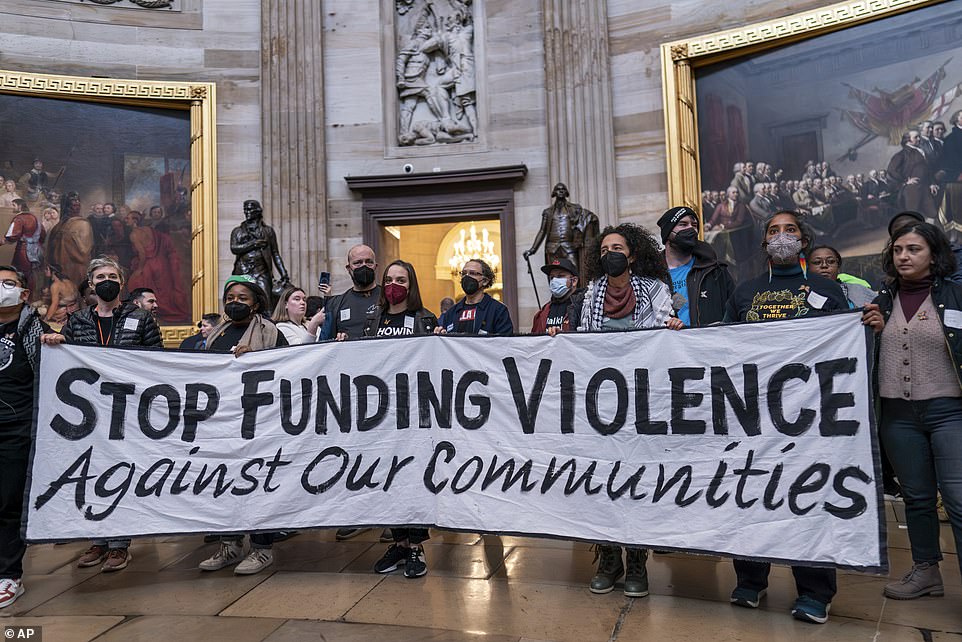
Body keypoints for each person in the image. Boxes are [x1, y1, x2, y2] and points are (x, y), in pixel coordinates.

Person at [724, 211, 848, 624]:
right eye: (773, 231)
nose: (781, 236)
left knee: (807, 498)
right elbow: (722, 346)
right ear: (764, 244)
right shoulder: (746, 292)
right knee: (750, 494)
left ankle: (815, 591)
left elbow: (843, 348)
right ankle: (750, 580)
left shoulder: (828, 290)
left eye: (789, 230)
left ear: (803, 241)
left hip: (809, 418)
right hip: (753, 416)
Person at [40, 257, 163, 572]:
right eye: (100, 277)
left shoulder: (141, 317)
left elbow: (158, 362)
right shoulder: (79, 319)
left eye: (112, 275)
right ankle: (96, 538)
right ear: (91, 285)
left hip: (128, 411)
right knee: (89, 473)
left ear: (120, 282)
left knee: (119, 474)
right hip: (89, 414)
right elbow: (67, 353)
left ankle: (119, 544)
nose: (106, 280)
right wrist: (58, 341)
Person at [579, 223, 681, 598]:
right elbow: (581, 342)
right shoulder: (591, 295)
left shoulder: (654, 291)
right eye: (604, 250)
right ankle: (608, 559)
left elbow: (663, 339)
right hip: (601, 407)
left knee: (636, 482)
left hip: (641, 406)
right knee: (602, 483)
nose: (611, 254)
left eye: (617, 248)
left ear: (633, 254)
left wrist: (673, 327)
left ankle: (637, 560)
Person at [873, 222, 962, 600]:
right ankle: (926, 572)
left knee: (958, 499)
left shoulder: (956, 294)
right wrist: (871, 331)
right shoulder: (881, 299)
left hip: (948, 411)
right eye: (898, 250)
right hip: (897, 415)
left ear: (934, 255)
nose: (904, 257)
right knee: (917, 496)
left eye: (913, 249)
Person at [198, 275, 288, 575]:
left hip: (260, 422)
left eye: (242, 298)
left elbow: (289, 368)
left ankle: (262, 548)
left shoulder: (271, 333)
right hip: (224, 421)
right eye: (231, 298)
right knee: (225, 483)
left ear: (256, 303)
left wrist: (256, 359)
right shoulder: (216, 335)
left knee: (259, 484)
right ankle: (230, 544)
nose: (235, 302)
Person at [365, 260, 438, 578]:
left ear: (412, 285)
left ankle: (416, 547)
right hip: (381, 413)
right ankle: (398, 542)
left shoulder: (425, 318)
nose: (394, 285)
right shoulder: (373, 320)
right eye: (389, 279)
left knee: (413, 477)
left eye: (401, 279)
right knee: (388, 479)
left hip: (415, 413)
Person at [0, 265, 49, 608]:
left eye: (8, 284)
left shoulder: (37, 331)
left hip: (15, 430)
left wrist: (59, 346)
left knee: (7, 503)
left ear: (24, 293)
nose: (2, 289)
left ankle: (8, 575)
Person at [657, 206, 734, 327]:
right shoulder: (653, 274)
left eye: (694, 225)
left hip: (710, 342)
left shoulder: (715, 271)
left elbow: (734, 310)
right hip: (671, 343)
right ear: (668, 232)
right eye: (683, 224)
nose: (691, 229)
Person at [319, 244, 382, 342]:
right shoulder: (335, 304)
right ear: (349, 269)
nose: (364, 266)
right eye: (358, 263)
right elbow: (324, 342)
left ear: (376, 266)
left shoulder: (388, 298)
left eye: (369, 262)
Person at [436, 259, 513, 335]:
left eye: (472, 273)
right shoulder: (451, 313)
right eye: (464, 273)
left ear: (485, 281)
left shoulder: (498, 310)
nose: (467, 277)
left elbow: (504, 343)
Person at [808, 246, 876, 308]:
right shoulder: (800, 294)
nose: (824, 265)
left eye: (831, 261)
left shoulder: (859, 290)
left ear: (838, 267)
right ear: (806, 268)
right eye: (817, 262)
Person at [2, 199, 44, 293]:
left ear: (20, 206)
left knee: (19, 273)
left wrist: (3, 241)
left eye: (14, 205)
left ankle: (20, 295)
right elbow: (43, 234)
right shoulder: (34, 217)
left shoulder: (19, 218)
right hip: (36, 250)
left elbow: (12, 236)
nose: (13, 207)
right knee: (30, 273)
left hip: (23, 251)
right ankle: (30, 296)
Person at [530, 257, 581, 334]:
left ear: (574, 281)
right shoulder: (543, 312)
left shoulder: (583, 308)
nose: (554, 281)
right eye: (552, 277)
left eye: (560, 276)